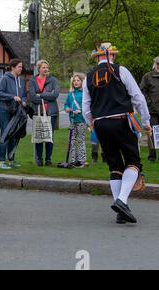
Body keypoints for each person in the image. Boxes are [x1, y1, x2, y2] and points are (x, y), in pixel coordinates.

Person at [82, 42, 152, 224]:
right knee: (133, 162)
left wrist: (92, 123)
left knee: (114, 165)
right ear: (111, 55)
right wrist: (145, 121)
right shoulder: (121, 71)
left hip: (100, 124)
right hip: (122, 121)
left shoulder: (88, 77)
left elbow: (85, 107)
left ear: (97, 57)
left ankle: (121, 211)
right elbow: (138, 97)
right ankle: (121, 201)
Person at [0, 59, 27, 169]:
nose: (21, 69)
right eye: (19, 66)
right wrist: (12, 97)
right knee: (5, 134)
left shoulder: (22, 80)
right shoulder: (5, 78)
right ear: (12, 67)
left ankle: (11, 159)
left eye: (21, 67)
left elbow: (23, 94)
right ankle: (1, 161)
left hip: (16, 111)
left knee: (14, 134)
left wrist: (23, 100)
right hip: (4, 110)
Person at [29, 60, 60, 167]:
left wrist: (40, 95)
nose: (46, 69)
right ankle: (39, 159)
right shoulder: (32, 80)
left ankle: (48, 159)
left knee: (49, 136)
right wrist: (47, 96)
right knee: (38, 136)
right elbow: (32, 97)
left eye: (47, 67)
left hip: (51, 112)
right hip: (38, 112)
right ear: (39, 68)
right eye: (44, 67)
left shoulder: (53, 80)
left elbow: (55, 94)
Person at [64, 73, 87, 168]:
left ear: (82, 82)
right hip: (72, 120)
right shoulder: (70, 94)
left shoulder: (85, 94)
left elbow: (87, 106)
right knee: (72, 140)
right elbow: (66, 104)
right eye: (74, 81)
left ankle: (82, 160)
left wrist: (80, 110)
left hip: (81, 120)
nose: (76, 82)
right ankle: (73, 160)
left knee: (80, 140)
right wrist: (67, 108)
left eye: (78, 80)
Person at [140, 56, 159, 162]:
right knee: (153, 133)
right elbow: (142, 91)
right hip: (152, 111)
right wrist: (149, 102)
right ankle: (152, 156)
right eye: (158, 64)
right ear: (155, 65)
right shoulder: (148, 76)